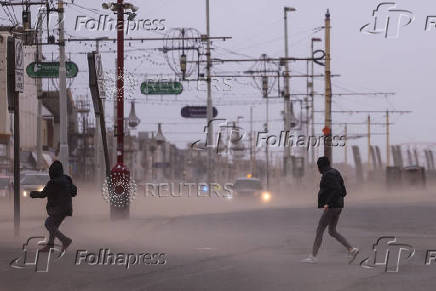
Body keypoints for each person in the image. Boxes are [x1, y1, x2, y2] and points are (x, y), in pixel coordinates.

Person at [302, 157, 359, 264]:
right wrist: (337, 200)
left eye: (318, 166)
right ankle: (351, 249)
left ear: (321, 166)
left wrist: (328, 202)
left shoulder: (328, 174)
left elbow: (336, 189)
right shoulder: (336, 172)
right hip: (338, 206)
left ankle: (313, 256)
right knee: (332, 231)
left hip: (332, 207)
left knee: (320, 229)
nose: (317, 169)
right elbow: (343, 191)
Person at [30, 160, 77, 252]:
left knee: (49, 224)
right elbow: (74, 192)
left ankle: (65, 240)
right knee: (53, 227)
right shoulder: (67, 179)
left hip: (57, 208)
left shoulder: (53, 182)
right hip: (66, 208)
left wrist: (33, 194)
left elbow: (43, 194)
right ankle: (50, 246)